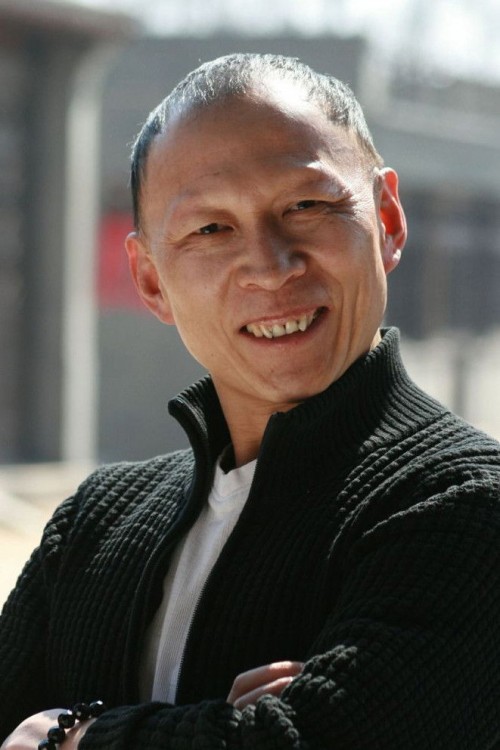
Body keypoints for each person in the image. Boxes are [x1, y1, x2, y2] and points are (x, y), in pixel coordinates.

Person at [1, 53, 499, 750]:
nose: (270, 266)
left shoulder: (465, 502)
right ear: (151, 280)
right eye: (210, 230)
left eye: (306, 206)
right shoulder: (92, 527)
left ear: (387, 220)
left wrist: (69, 734)